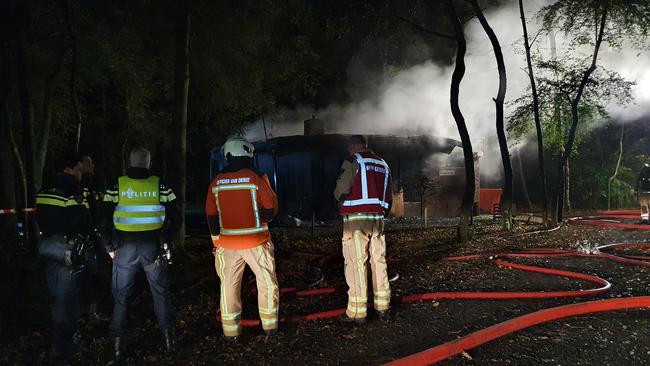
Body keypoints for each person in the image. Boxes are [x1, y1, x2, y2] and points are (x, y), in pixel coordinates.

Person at [101, 147, 180, 361]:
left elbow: (103, 218)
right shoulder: (160, 185)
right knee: (160, 293)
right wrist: (167, 239)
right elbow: (175, 214)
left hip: (124, 249)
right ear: (149, 162)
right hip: (153, 247)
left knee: (121, 299)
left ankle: (117, 347)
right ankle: (168, 342)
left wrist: (109, 246)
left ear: (129, 162)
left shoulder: (116, 186)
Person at [205, 137, 279, 342]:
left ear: (228, 155)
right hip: (257, 242)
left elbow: (211, 215)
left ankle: (231, 332)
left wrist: (216, 240)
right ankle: (270, 327)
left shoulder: (216, 182)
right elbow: (271, 212)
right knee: (266, 283)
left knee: (228, 285)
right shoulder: (256, 178)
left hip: (227, 245)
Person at [36, 152, 92, 359]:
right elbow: (82, 221)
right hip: (66, 249)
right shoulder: (73, 191)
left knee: (56, 296)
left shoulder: (44, 190)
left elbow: (40, 217)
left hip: (46, 246)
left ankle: (61, 339)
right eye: (78, 169)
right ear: (68, 169)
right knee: (66, 298)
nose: (80, 173)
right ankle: (63, 346)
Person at [334, 135, 392, 324]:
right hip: (378, 219)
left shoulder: (353, 160)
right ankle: (382, 306)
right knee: (379, 261)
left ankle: (358, 312)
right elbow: (388, 196)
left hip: (356, 221)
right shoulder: (383, 163)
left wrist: (342, 203)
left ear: (352, 147)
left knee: (356, 263)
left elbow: (341, 190)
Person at [79, 153, 111, 321]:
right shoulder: (78, 186)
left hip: (96, 236)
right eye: (89, 163)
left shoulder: (92, 184)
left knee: (99, 273)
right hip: (86, 239)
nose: (93, 166)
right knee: (93, 274)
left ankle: (94, 307)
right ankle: (91, 309)